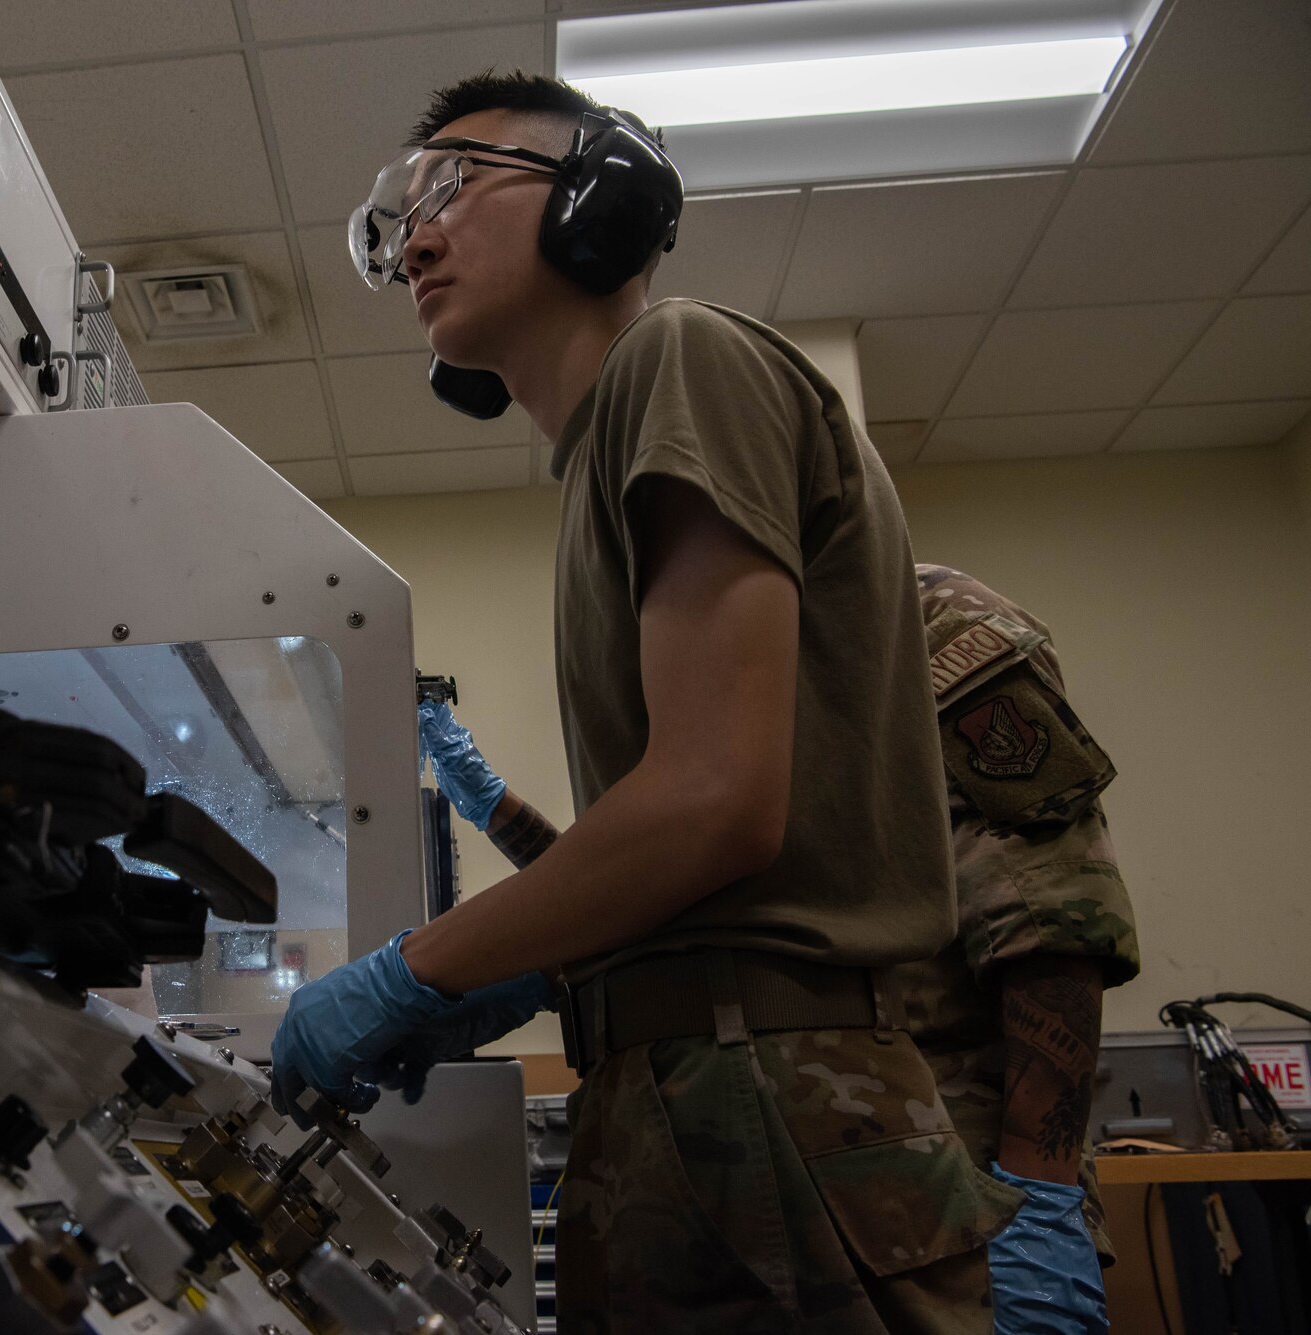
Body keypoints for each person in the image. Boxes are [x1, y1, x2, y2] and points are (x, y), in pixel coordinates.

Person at [268, 70, 1016, 1330]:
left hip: (768, 1090)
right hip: (689, 1084)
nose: (417, 239)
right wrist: (523, 968)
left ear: (596, 201)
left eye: (453, 182)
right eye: (395, 220)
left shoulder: (682, 359)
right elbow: (684, 852)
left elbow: (713, 804)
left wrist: (416, 969)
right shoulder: (606, 455)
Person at [411, 563, 1139, 1332]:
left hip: (939, 1186)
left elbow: (1053, 920)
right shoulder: (689, 659)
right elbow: (650, 900)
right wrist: (490, 806)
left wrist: (1041, 1199)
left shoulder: (909, 616)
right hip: (745, 1186)